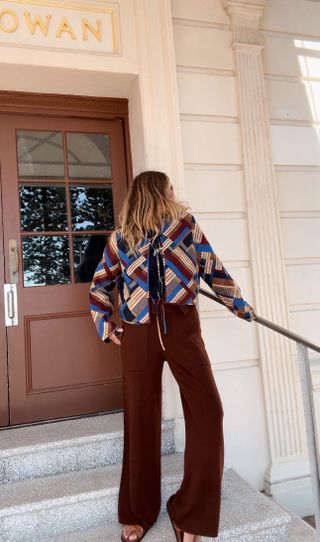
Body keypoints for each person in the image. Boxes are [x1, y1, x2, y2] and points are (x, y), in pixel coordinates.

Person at [89, 171, 256, 542]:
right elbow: (100, 284)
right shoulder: (122, 238)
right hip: (138, 333)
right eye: (169, 188)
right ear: (157, 192)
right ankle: (137, 513)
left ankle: (188, 511)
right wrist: (107, 326)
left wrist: (240, 307)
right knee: (140, 420)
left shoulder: (185, 227)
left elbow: (213, 269)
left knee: (209, 411)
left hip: (182, 328)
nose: (175, 193)